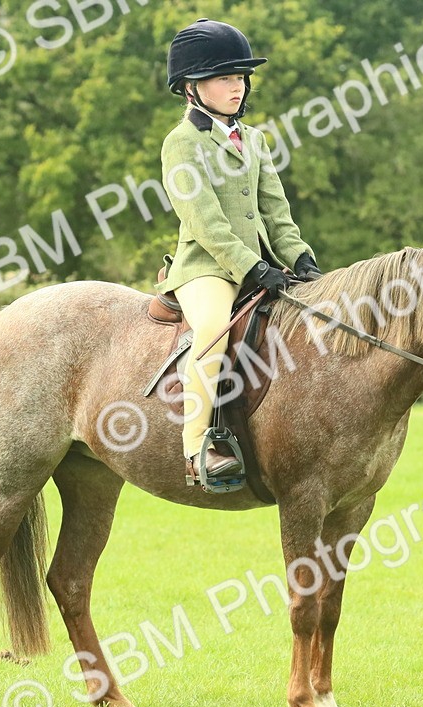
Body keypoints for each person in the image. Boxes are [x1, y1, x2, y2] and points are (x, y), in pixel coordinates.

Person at [158, 18, 322, 486]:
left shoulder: (254, 140)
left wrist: (300, 259)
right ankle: (197, 448)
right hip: (207, 269)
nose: (238, 86)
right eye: (225, 77)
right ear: (192, 87)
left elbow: (276, 212)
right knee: (211, 331)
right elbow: (205, 222)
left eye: (241, 77)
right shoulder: (182, 143)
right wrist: (253, 267)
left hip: (263, 267)